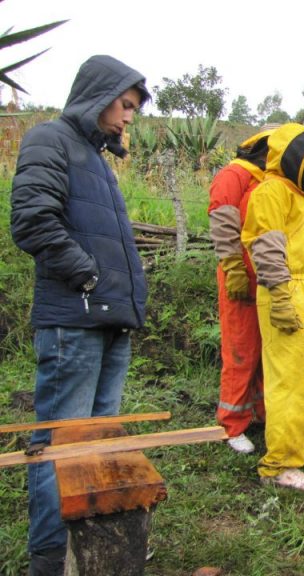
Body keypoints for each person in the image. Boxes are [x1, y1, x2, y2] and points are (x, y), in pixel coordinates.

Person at [10, 55, 150, 575]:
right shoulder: (51, 140)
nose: (130, 117)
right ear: (98, 94)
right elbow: (31, 221)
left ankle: (84, 552)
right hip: (75, 322)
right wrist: (89, 277)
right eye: (126, 104)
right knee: (58, 447)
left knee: (93, 445)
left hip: (107, 322)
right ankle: (49, 560)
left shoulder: (95, 158)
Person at [241, 123, 304, 491]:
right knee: (289, 380)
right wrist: (283, 297)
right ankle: (280, 464)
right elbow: (266, 248)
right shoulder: (271, 192)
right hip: (286, 290)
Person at [208, 124, 279, 453]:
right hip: (240, 280)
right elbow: (223, 221)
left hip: (267, 281)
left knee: (268, 352)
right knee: (241, 352)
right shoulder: (235, 174)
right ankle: (232, 424)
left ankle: (263, 414)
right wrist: (233, 266)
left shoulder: (271, 181)